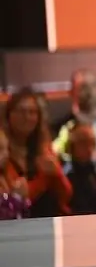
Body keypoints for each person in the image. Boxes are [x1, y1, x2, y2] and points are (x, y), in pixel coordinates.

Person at [4, 88, 73, 217]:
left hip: (51, 217)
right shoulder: (3, 152)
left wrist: (57, 174)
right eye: (21, 111)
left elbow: (66, 194)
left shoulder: (44, 148)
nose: (27, 117)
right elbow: (17, 198)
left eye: (32, 112)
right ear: (9, 115)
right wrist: (44, 179)